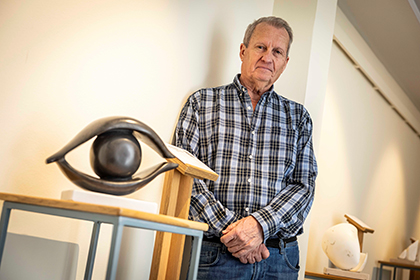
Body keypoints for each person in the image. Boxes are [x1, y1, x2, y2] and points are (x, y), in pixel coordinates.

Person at [175, 16, 318, 280]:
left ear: (285, 63)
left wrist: (259, 226)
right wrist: (237, 233)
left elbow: (303, 188)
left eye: (277, 51)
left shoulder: (299, 117)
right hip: (214, 255)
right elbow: (184, 175)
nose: (267, 57)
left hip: (279, 260)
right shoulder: (201, 103)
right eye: (260, 47)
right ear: (243, 51)